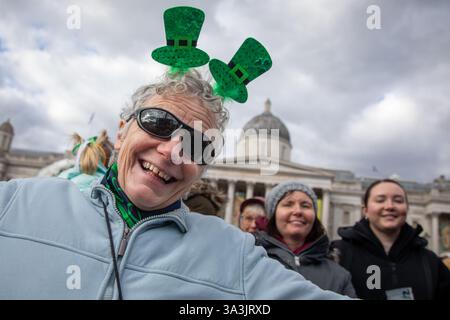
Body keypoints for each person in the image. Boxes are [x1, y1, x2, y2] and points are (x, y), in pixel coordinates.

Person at [0, 70, 350, 299]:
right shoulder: (13, 204)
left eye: (197, 144)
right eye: (158, 122)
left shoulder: (234, 254)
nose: (171, 151)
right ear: (122, 130)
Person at [331, 179, 450, 300]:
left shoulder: (430, 261)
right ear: (365, 210)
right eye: (380, 200)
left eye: (398, 200)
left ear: (407, 209)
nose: (390, 206)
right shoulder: (338, 255)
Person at [253, 181, 356, 297]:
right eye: (288, 204)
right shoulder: (251, 261)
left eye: (305, 205)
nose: (298, 211)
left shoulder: (339, 276)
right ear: (273, 215)